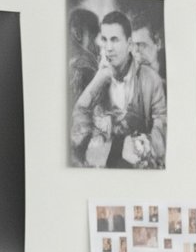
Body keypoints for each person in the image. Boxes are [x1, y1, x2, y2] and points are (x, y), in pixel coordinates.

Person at [70, 9, 166, 169]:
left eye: (114, 40)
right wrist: (115, 147)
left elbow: (162, 131)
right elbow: (78, 122)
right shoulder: (98, 78)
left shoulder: (150, 79)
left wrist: (138, 146)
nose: (108, 47)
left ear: (129, 44)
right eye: (104, 39)